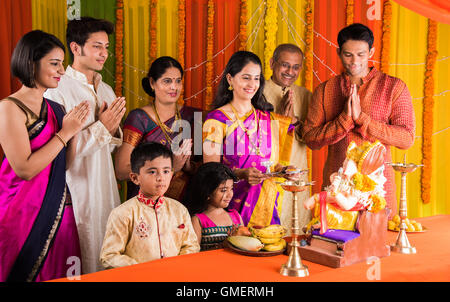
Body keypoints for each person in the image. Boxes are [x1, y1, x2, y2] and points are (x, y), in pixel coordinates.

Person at [0, 30, 90, 281]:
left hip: (59, 211)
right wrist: (65, 133)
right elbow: (24, 169)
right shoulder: (9, 108)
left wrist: (73, 133)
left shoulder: (57, 109)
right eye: (54, 63)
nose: (62, 70)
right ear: (30, 63)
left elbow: (64, 166)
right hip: (20, 213)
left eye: (62, 63)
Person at [302, 23, 415, 219]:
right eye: (348, 55)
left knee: (378, 246)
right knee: (334, 246)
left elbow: (406, 138)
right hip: (336, 193)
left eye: (361, 54)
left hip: (378, 192)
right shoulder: (325, 90)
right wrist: (344, 120)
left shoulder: (394, 87)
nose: (355, 61)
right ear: (338, 52)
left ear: (371, 51)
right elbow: (310, 139)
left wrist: (363, 120)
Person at [44, 17, 126, 274]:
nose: (104, 53)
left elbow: (111, 146)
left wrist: (110, 130)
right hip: (76, 190)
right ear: (75, 48)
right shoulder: (57, 90)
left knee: (109, 253)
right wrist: (102, 128)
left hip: (105, 185)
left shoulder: (107, 90)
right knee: (83, 254)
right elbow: (59, 152)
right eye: (97, 46)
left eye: (106, 47)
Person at [203, 50, 302, 228]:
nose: (252, 84)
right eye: (246, 77)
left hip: (266, 209)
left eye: (256, 78)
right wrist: (240, 174)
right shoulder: (215, 120)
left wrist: (284, 170)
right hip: (230, 208)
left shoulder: (266, 118)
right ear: (230, 79)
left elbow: (269, 165)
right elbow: (209, 172)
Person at [100, 142, 200, 268]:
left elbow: (191, 245)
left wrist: (176, 266)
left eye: (166, 171)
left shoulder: (179, 210)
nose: (160, 178)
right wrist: (142, 270)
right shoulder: (123, 213)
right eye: (152, 172)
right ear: (135, 178)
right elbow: (109, 256)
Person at [115, 56, 200, 201]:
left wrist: (188, 167)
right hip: (146, 206)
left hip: (185, 206)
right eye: (167, 81)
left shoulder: (194, 116)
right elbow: (121, 170)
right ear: (152, 83)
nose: (174, 87)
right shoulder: (139, 118)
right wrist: (170, 165)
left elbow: (207, 168)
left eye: (178, 81)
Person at [264, 43, 312, 232]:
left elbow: (313, 138)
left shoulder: (306, 96)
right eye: (285, 65)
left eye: (296, 67)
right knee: (266, 233)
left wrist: (295, 122)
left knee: (297, 230)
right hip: (267, 174)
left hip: (297, 173)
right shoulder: (257, 92)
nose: (290, 71)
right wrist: (280, 121)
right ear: (272, 63)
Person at [186, 162, 249, 251]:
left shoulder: (236, 216)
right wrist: (226, 244)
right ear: (207, 192)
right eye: (223, 190)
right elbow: (195, 254)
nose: (230, 194)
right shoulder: (198, 220)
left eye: (231, 188)